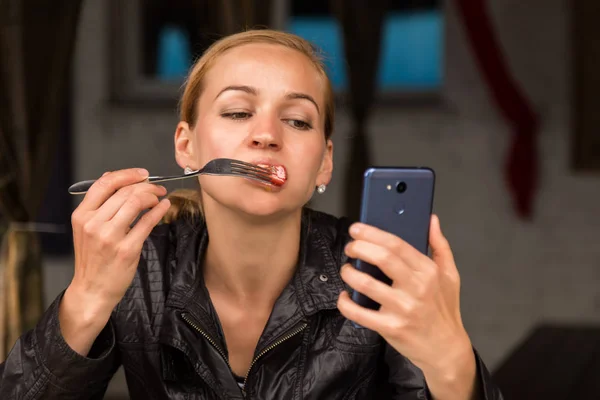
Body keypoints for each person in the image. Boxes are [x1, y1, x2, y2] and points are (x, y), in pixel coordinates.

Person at [0, 30, 503, 399]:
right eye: (239, 112)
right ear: (187, 145)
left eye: (297, 119)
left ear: (324, 161)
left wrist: (451, 359)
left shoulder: (375, 272)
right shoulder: (138, 264)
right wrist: (87, 298)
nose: (266, 134)